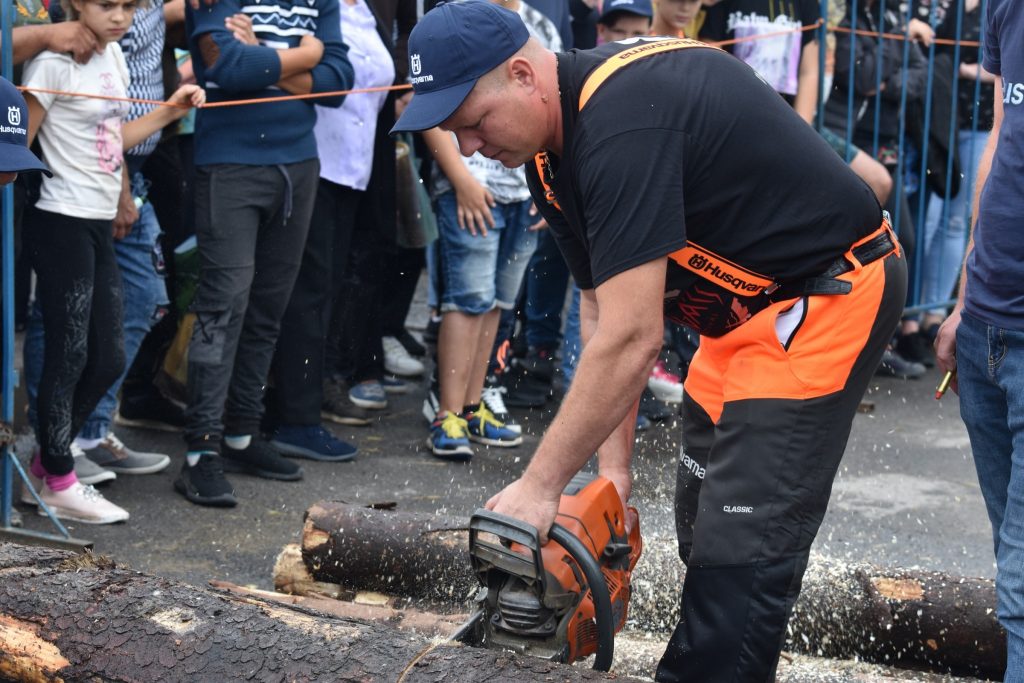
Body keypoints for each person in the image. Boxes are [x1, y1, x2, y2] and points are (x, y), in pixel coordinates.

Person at [392, 2, 906, 680]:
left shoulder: (621, 119)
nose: (468, 148)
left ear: (522, 74)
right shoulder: (551, 157)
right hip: (736, 317)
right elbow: (605, 314)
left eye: (474, 123)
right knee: (702, 518)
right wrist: (613, 476)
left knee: (742, 552)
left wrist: (540, 486)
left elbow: (636, 337)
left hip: (824, 297)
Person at [20, 0, 203, 524]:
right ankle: (57, 476)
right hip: (58, 217)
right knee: (69, 349)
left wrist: (169, 111)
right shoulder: (52, 65)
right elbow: (20, 147)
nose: (120, 16)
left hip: (100, 216)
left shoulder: (115, 58)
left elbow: (112, 142)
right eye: (107, 5)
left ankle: (48, 461)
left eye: (129, 6)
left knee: (110, 355)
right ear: (77, 3)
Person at [178, 0, 352, 506]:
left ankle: (241, 433)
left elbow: (340, 81)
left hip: (298, 164)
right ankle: (200, 450)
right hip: (229, 165)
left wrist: (266, 55)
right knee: (222, 306)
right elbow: (228, 68)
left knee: (268, 307)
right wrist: (304, 55)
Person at [419, 0, 560, 460]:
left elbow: (550, 102)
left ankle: (475, 403)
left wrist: (549, 187)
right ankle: (448, 411)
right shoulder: (455, 22)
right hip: (474, 190)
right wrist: (460, 181)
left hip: (523, 189)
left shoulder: (538, 25)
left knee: (499, 302)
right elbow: (433, 112)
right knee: (467, 300)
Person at [934, 0, 1023, 676]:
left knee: (1020, 584)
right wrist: (964, 299)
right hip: (986, 323)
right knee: (1011, 558)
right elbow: (999, 142)